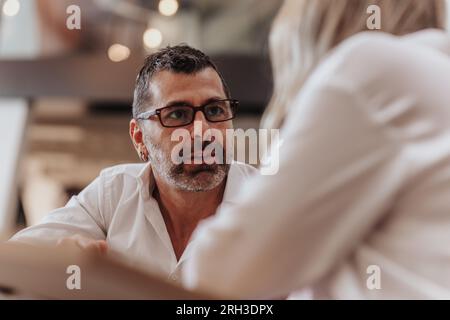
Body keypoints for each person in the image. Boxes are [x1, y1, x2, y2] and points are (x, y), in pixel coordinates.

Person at [182, 0, 450, 299]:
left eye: (216, 111)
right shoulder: (434, 77)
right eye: (178, 115)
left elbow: (221, 273)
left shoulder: (368, 65)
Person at [10, 45, 257, 283]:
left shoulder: (266, 200)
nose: (204, 132)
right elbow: (13, 264)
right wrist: (59, 260)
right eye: (178, 114)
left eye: (215, 110)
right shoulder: (113, 194)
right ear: (139, 137)